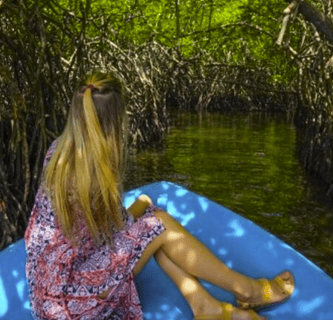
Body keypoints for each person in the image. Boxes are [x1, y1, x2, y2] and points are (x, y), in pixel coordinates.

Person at [24, 72, 295, 320]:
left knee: (152, 225)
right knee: (159, 225)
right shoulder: (91, 173)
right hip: (73, 304)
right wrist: (140, 207)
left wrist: (140, 209)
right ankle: (246, 290)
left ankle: (206, 307)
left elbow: (94, 236)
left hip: (47, 290)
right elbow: (117, 231)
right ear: (115, 121)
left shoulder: (59, 150)